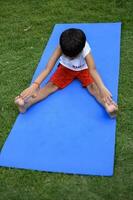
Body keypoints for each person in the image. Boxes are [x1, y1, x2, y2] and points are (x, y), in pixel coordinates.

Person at [15, 28, 118, 117]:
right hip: (65, 69)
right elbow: (48, 68)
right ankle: (26, 104)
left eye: (73, 57)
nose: (71, 59)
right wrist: (35, 85)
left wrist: (102, 87)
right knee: (49, 87)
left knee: (94, 88)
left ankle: (108, 105)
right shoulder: (61, 46)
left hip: (84, 69)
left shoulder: (85, 48)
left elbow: (92, 69)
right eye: (68, 56)